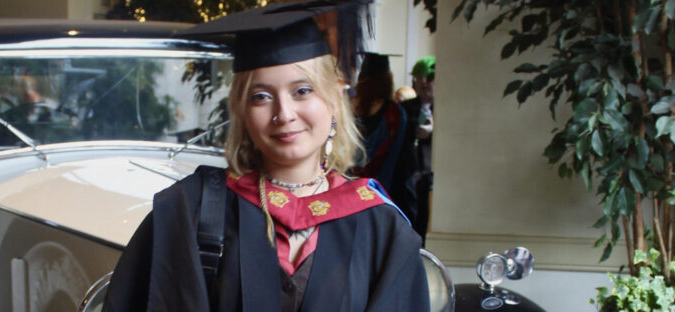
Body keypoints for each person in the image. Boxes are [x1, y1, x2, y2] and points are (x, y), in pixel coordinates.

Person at [102, 2, 429, 311]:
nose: (284, 113)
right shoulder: (189, 210)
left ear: (333, 100)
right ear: (242, 112)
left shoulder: (380, 225)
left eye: (303, 90)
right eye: (261, 96)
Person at [351, 53, 419, 228]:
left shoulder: (346, 108)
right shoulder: (395, 114)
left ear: (361, 78)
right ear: (386, 79)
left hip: (348, 187)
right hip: (383, 192)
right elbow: (402, 159)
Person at [400, 56, 435, 243]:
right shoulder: (404, 108)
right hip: (408, 177)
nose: (423, 82)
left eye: (429, 78)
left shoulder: (447, 108)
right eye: (418, 77)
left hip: (434, 177)